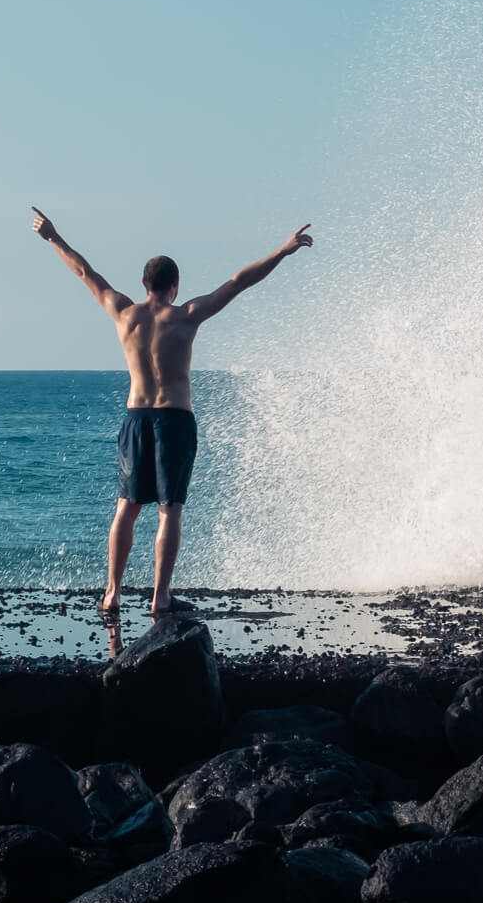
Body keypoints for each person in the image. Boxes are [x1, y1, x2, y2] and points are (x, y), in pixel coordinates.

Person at [30, 206, 312, 618]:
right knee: (169, 509)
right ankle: (160, 598)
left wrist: (53, 237)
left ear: (144, 284)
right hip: (175, 420)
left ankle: (112, 593)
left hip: (136, 419)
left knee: (127, 506)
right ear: (175, 286)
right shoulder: (187, 317)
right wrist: (283, 251)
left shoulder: (123, 313)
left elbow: (85, 272)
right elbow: (238, 283)